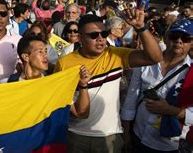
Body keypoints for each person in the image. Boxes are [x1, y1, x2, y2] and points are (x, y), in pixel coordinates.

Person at [54, 10, 163, 153]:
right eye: (93, 35)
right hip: (74, 135)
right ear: (80, 38)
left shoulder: (116, 55)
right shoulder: (64, 63)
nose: (100, 38)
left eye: (104, 34)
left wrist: (141, 27)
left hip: (109, 136)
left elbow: (155, 57)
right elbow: (59, 99)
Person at [121, 19, 193, 152]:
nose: (179, 41)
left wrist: (170, 110)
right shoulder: (146, 60)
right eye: (174, 36)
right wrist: (126, 133)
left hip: (168, 145)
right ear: (165, 38)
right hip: (138, 135)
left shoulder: (191, 72)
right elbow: (131, 98)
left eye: (185, 38)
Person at [2, 35, 92, 119]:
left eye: (46, 51)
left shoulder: (54, 85)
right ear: (26, 57)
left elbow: (81, 114)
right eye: (40, 51)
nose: (45, 55)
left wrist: (83, 85)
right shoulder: (6, 84)